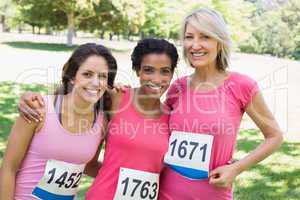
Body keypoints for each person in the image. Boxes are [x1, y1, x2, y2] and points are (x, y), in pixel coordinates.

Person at [16, 38, 179, 200]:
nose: (157, 79)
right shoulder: (116, 98)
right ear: (137, 70)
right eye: (148, 70)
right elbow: (75, 96)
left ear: (172, 73)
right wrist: (29, 98)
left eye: (165, 71)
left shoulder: (173, 117)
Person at [158, 8, 284, 200]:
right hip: (166, 192)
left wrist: (236, 168)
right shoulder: (177, 87)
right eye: (189, 37)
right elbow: (157, 133)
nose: (195, 45)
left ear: (220, 41)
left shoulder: (241, 86)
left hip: (213, 194)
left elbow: (274, 136)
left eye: (205, 37)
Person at [0, 43, 117, 200]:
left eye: (102, 76)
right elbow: (8, 169)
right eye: (87, 74)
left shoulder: (101, 121)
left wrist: (125, 176)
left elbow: (89, 166)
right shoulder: (38, 109)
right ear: (72, 77)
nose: (95, 83)